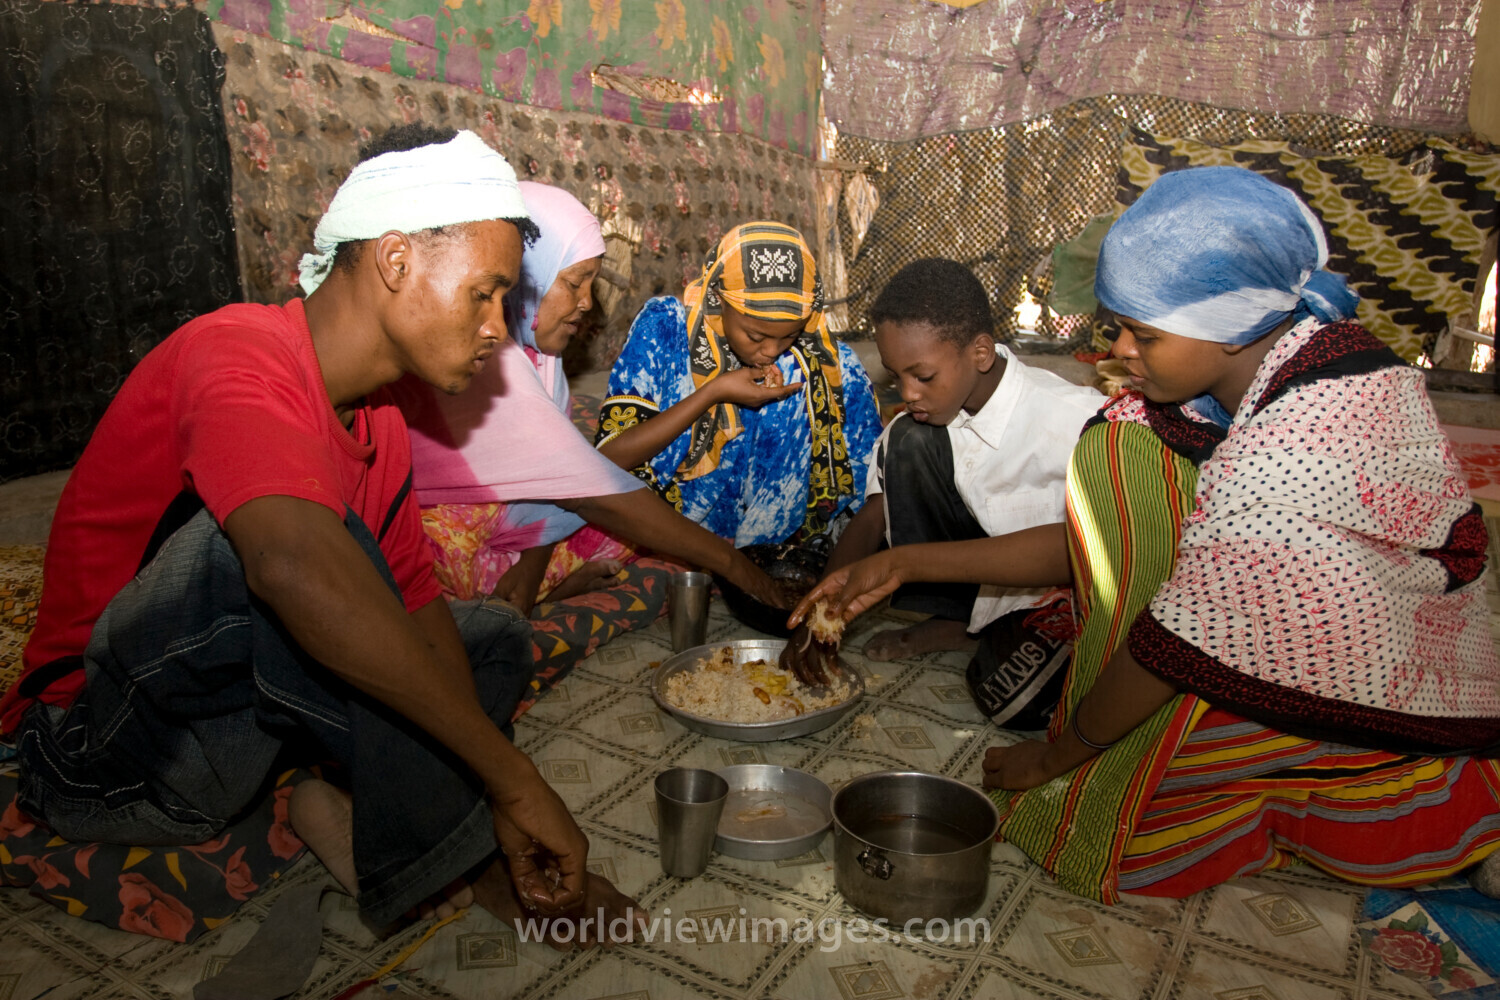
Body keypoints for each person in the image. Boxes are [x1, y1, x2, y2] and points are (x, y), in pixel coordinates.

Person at [0, 124, 642, 937]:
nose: (496, 327)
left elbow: (414, 608)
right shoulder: (235, 355)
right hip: (101, 751)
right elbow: (292, 569)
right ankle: (441, 852)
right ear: (397, 260)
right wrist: (509, 785)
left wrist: (488, 779)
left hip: (225, 736)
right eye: (485, 293)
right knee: (263, 554)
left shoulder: (381, 423)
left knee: (486, 638)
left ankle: (339, 798)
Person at [795, 166, 1500, 901]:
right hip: (1229, 619)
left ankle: (1454, 799)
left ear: (1233, 326)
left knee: (1125, 824)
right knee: (1123, 446)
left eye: (1145, 332)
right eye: (1119, 324)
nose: (1119, 350)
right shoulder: (1258, 367)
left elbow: (1175, 647)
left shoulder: (1290, 458)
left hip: (1389, 675)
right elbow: (1093, 544)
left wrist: (1057, 757)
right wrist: (905, 562)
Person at [394, 182, 783, 617]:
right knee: (438, 563)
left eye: (591, 285)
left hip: (513, 513)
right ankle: (518, 592)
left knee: (629, 531)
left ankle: (533, 585)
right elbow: (584, 488)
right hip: (434, 513)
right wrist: (739, 570)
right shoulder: (486, 351)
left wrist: (534, 561)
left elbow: (560, 477)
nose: (586, 304)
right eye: (574, 282)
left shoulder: (539, 359)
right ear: (528, 276)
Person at [787, 258, 1099, 728]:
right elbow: (875, 515)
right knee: (909, 441)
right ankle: (956, 622)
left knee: (1015, 698)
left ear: (980, 353)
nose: (908, 393)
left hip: (1071, 596)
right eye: (897, 377)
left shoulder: (1078, 424)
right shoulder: (920, 420)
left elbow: (1093, 551)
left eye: (923, 377)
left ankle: (986, 633)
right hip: (981, 579)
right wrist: (821, 617)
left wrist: (900, 564)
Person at [594, 222, 882, 555]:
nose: (772, 351)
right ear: (718, 299)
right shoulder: (664, 329)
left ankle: (772, 548)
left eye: (789, 336)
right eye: (756, 336)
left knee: (830, 372)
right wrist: (714, 392)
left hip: (769, 540)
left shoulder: (820, 363)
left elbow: (873, 489)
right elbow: (608, 459)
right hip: (665, 521)